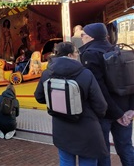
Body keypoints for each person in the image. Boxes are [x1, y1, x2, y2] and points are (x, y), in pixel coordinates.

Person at [35, 41, 108, 166]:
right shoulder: (86, 73)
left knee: (66, 161)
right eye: (76, 53)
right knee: (88, 161)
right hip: (86, 127)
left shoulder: (47, 73)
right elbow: (100, 105)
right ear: (69, 55)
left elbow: (39, 97)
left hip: (61, 127)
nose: (78, 55)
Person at [79, 22, 134, 166]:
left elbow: (98, 89)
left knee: (103, 152)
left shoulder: (90, 54)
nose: (81, 37)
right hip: (125, 110)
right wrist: (130, 110)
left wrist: (117, 114)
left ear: (91, 36)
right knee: (126, 147)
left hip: (103, 113)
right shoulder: (118, 50)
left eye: (83, 34)